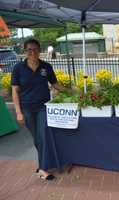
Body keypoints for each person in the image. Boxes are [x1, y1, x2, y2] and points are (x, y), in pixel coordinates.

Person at [11, 39, 65, 181]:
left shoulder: (46, 67)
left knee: (43, 136)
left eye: (35, 49)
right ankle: (43, 164)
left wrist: (71, 92)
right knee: (37, 139)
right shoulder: (18, 68)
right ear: (25, 51)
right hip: (27, 108)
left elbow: (55, 84)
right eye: (29, 49)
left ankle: (43, 168)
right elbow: (15, 91)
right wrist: (18, 112)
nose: (33, 52)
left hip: (43, 107)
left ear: (40, 50)